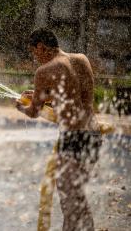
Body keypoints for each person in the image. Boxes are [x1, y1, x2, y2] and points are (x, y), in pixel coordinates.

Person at [15, 28, 102, 231]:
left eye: (34, 52)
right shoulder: (81, 59)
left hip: (73, 138)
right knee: (78, 195)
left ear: (41, 47)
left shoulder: (44, 71)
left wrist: (20, 106)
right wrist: (49, 96)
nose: (35, 57)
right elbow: (77, 98)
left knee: (69, 199)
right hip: (93, 134)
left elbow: (33, 112)